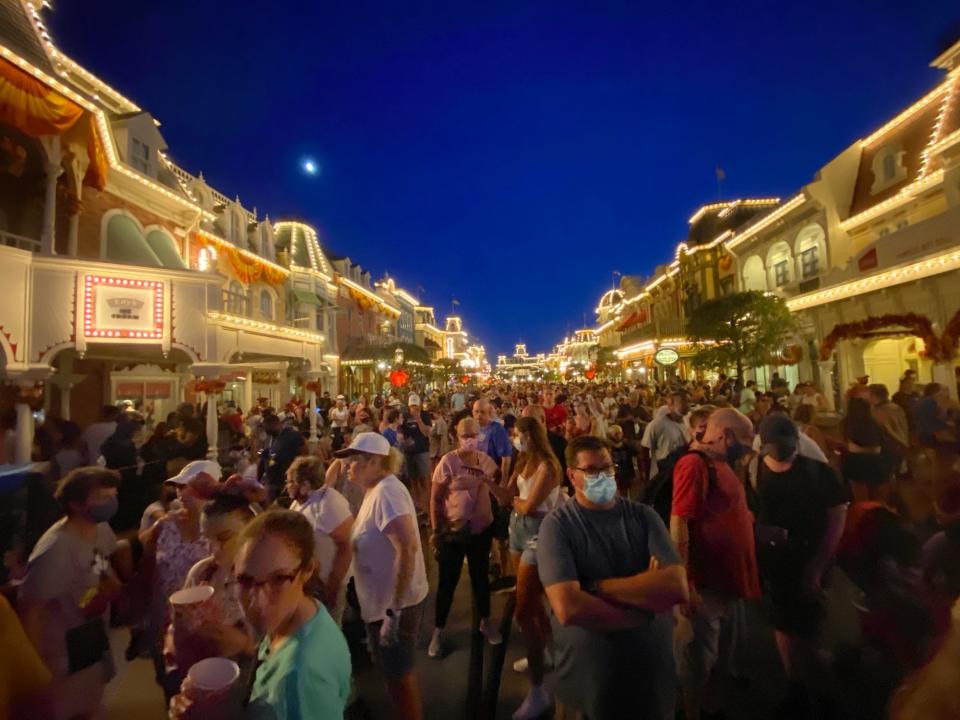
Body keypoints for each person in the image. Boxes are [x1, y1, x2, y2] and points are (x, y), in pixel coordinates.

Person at [537, 434, 689, 719]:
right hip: (590, 680)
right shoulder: (557, 527)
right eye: (592, 470)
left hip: (651, 674)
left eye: (607, 468)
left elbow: (675, 586)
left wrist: (594, 587)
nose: (603, 476)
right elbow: (568, 606)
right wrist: (642, 605)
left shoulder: (645, 517)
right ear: (572, 475)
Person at [169, 510, 352, 720]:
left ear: (307, 570)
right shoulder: (305, 613)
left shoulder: (298, 679)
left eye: (279, 579)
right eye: (246, 581)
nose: (258, 601)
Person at [753, 414, 849, 715]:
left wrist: (817, 567)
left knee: (808, 626)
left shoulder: (818, 473)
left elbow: (837, 520)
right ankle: (796, 685)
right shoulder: (754, 471)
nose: (784, 454)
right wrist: (758, 533)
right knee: (782, 622)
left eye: (789, 447)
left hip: (810, 559)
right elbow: (748, 513)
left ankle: (823, 690)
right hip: (775, 563)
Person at [670, 408, 761, 720]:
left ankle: (712, 707)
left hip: (727, 582)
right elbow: (680, 522)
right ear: (727, 436)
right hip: (705, 584)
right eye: (746, 442)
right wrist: (684, 583)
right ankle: (692, 711)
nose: (749, 449)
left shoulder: (721, 464)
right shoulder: (695, 464)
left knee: (721, 655)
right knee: (698, 658)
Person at [17, 467, 129, 720]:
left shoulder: (100, 528)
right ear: (76, 504)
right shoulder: (55, 550)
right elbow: (31, 609)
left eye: (113, 495)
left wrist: (111, 584)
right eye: (102, 497)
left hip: (91, 635)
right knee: (65, 708)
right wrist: (36, 668)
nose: (110, 502)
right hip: (61, 648)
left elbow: (101, 560)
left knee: (91, 699)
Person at [338, 432, 429, 720]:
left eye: (353, 460)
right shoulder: (374, 490)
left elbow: (407, 547)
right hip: (380, 604)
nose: (347, 466)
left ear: (375, 462)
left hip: (394, 606)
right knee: (392, 675)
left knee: (400, 679)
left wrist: (394, 611)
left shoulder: (388, 492)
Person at [497, 416, 562, 719]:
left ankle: (539, 691)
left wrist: (517, 502)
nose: (515, 438)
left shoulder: (547, 466)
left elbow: (528, 504)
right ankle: (544, 652)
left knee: (524, 610)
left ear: (530, 435)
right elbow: (510, 498)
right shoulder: (523, 462)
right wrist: (487, 482)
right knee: (532, 605)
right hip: (517, 530)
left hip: (538, 533)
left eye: (518, 434)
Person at [139, 460, 217, 699]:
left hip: (205, 626)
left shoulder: (221, 530)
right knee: (171, 686)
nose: (181, 493)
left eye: (189, 487)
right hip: (165, 620)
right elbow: (150, 569)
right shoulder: (166, 526)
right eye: (179, 487)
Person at [166, 493, 257, 693]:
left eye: (224, 538)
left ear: (252, 531)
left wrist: (225, 634)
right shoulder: (201, 572)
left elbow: (273, 648)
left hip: (249, 686)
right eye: (207, 539)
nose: (213, 549)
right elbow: (175, 628)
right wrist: (176, 633)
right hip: (201, 680)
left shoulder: (263, 581)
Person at [427, 416, 502, 658]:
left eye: (473, 435)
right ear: (456, 437)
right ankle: (438, 631)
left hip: (480, 531)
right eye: (465, 435)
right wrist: (437, 529)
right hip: (453, 532)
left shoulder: (485, 461)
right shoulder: (448, 463)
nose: (470, 440)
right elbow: (436, 498)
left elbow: (500, 489)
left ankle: (486, 621)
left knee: (480, 577)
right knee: (448, 582)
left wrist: (489, 479)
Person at [286, 456, 354, 624]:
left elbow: (346, 545)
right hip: (309, 584)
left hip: (325, 586)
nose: (287, 486)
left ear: (305, 486)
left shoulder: (327, 505)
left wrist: (333, 586)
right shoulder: (300, 502)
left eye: (290, 482)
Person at [843, 396, 892, 502]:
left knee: (861, 499)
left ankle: (865, 516)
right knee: (878, 497)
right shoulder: (875, 424)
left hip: (855, 462)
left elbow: (845, 442)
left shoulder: (847, 423)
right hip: (876, 461)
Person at [640, 390, 690, 485]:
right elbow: (645, 449)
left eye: (688, 401)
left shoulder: (688, 421)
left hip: (683, 473)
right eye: (682, 402)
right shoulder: (657, 425)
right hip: (663, 475)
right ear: (670, 405)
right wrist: (646, 476)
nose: (687, 405)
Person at [399, 393, 433, 516]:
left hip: (422, 451)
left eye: (416, 406)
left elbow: (426, 433)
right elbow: (401, 431)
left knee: (425, 479)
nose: (414, 408)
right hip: (409, 452)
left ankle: (429, 506)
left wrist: (418, 420)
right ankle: (419, 505)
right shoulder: (404, 417)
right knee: (413, 480)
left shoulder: (425, 415)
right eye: (412, 406)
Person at [259, 414, 307, 499]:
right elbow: (268, 458)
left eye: (270, 425)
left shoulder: (292, 435)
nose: (267, 428)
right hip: (271, 481)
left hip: (286, 480)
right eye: (266, 427)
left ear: (278, 424)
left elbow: (304, 453)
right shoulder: (269, 439)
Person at [473, 397, 513, 480]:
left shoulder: (497, 429)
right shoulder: (475, 428)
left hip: (492, 476)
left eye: (482, 412)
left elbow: (506, 457)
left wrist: (503, 480)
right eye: (476, 411)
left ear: (489, 413)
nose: (479, 415)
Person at [608, 424, 638, 498]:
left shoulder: (627, 446)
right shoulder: (608, 448)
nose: (618, 435)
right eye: (616, 434)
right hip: (615, 474)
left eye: (620, 433)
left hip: (627, 473)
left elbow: (637, 454)